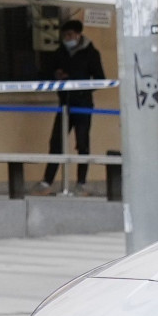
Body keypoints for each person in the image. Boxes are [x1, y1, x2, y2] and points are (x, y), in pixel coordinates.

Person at [45, 14, 106, 193]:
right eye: (64, 36)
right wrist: (56, 76)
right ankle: (47, 181)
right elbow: (48, 71)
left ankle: (81, 182)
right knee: (56, 142)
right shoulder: (59, 52)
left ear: (79, 35)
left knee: (82, 144)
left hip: (83, 104)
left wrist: (79, 86)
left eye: (70, 35)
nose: (67, 39)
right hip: (64, 104)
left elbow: (100, 79)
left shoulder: (91, 53)